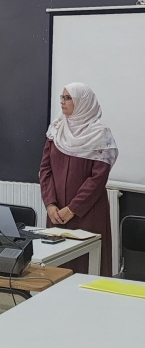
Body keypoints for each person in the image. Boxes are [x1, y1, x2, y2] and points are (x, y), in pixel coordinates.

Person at [39, 82, 118, 276]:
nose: (62, 102)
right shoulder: (56, 129)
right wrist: (50, 204)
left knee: (86, 267)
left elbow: (98, 178)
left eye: (68, 98)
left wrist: (73, 208)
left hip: (87, 213)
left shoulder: (100, 134)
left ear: (83, 102)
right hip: (57, 213)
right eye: (62, 97)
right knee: (56, 270)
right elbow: (45, 169)